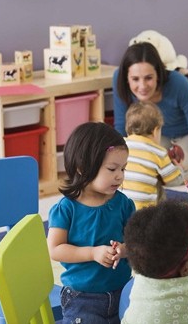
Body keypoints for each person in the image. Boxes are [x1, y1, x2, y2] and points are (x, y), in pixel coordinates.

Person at [47, 122, 135, 323]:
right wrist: (92, 253)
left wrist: (124, 249)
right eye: (112, 168)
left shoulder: (123, 204)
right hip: (83, 298)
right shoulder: (66, 208)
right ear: (83, 168)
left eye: (123, 168)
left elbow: (138, 242)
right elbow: (55, 249)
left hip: (124, 291)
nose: (120, 176)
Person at [113, 41, 188, 188]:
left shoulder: (177, 82)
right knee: (148, 170)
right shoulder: (118, 79)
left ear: (158, 73)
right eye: (135, 79)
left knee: (170, 176)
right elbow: (121, 126)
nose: (142, 86)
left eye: (148, 78)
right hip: (161, 135)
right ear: (127, 77)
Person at [122, 101, 184, 209]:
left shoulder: (121, 145)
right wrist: (179, 168)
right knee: (158, 186)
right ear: (156, 131)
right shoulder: (158, 152)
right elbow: (175, 181)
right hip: (145, 214)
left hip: (120, 210)